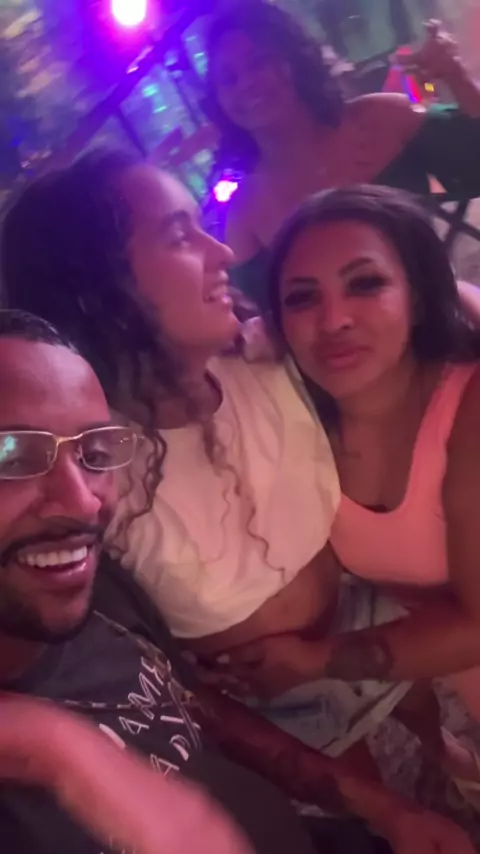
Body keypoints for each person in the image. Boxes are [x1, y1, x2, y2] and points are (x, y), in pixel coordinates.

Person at [2, 153, 480, 806]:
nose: (223, 253)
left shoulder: (267, 357)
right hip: (271, 687)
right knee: (372, 804)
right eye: (181, 236)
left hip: (359, 611)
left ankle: (447, 756)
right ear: (97, 287)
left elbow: (416, 297)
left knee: (421, 713)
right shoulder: (97, 470)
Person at [0, 306, 458, 854]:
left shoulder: (100, 593)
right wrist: (50, 746)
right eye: (11, 453)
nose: (82, 502)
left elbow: (190, 702)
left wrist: (384, 809)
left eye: (94, 452)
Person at [221, 185, 480, 800]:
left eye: (366, 284)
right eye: (302, 297)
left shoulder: (468, 407)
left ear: (418, 296)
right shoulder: (296, 417)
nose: (333, 320)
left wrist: (312, 662)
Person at [204, 2, 480, 313]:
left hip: (444, 320)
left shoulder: (378, 119)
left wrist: (455, 75)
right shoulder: (244, 214)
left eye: (259, 62)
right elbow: (273, 320)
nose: (246, 83)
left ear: (293, 59)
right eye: (228, 78)